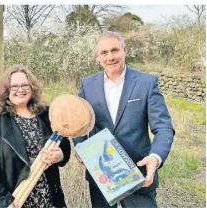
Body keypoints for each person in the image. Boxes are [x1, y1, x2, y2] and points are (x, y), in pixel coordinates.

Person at [73, 31, 175, 207]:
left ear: (125, 51)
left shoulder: (146, 83)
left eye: (115, 50)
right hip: (102, 174)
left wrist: (156, 157)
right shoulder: (87, 85)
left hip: (139, 172)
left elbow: (163, 127)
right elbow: (80, 121)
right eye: (104, 53)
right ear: (97, 57)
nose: (110, 57)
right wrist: (80, 146)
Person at [0, 65, 71, 208]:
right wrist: (2, 201)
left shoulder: (46, 114)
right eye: (14, 86)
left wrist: (60, 155)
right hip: (14, 200)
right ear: (6, 90)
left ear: (32, 88)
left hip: (48, 199)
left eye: (25, 85)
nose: (20, 90)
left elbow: (64, 143)